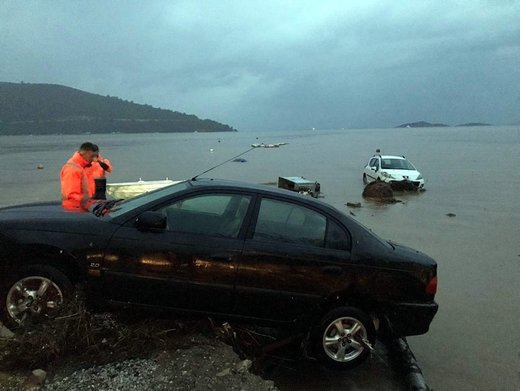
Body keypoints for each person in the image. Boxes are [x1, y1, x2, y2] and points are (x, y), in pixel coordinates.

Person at [60, 142, 99, 210]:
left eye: (96, 156)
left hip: (85, 206)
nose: (94, 159)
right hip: (75, 209)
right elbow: (71, 195)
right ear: (83, 153)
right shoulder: (72, 169)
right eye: (92, 156)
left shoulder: (85, 166)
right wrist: (89, 202)